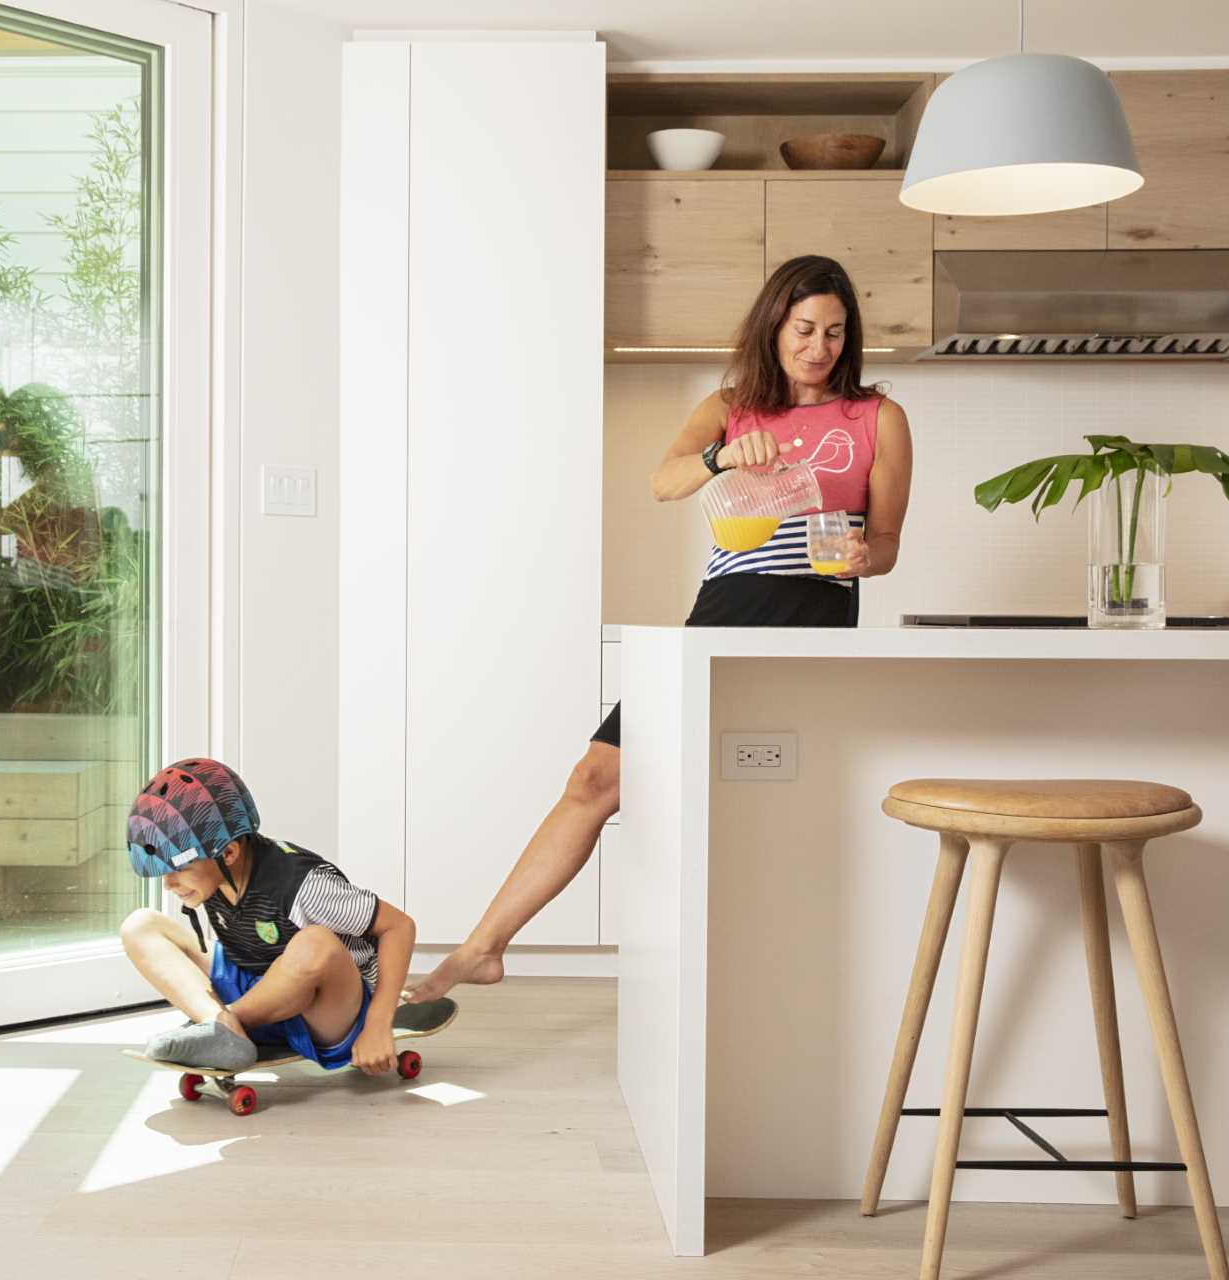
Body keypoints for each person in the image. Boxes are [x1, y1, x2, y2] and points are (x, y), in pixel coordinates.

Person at [407, 254, 913, 1004]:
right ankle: (483, 949)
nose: (819, 347)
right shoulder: (731, 405)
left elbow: (890, 546)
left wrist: (864, 555)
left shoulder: (879, 417)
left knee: (767, 808)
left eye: (836, 333)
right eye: (805, 329)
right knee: (595, 777)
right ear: (776, 326)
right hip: (720, 618)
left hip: (813, 625)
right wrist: (720, 455)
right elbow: (661, 481)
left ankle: (775, 991)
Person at [119, 757, 417, 1075]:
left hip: (325, 1010)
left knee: (316, 942)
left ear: (229, 853)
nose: (169, 884)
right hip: (257, 983)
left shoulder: (303, 885)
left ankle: (222, 1025)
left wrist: (378, 1024)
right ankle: (222, 1030)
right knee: (141, 925)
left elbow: (400, 927)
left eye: (179, 870)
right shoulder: (215, 876)